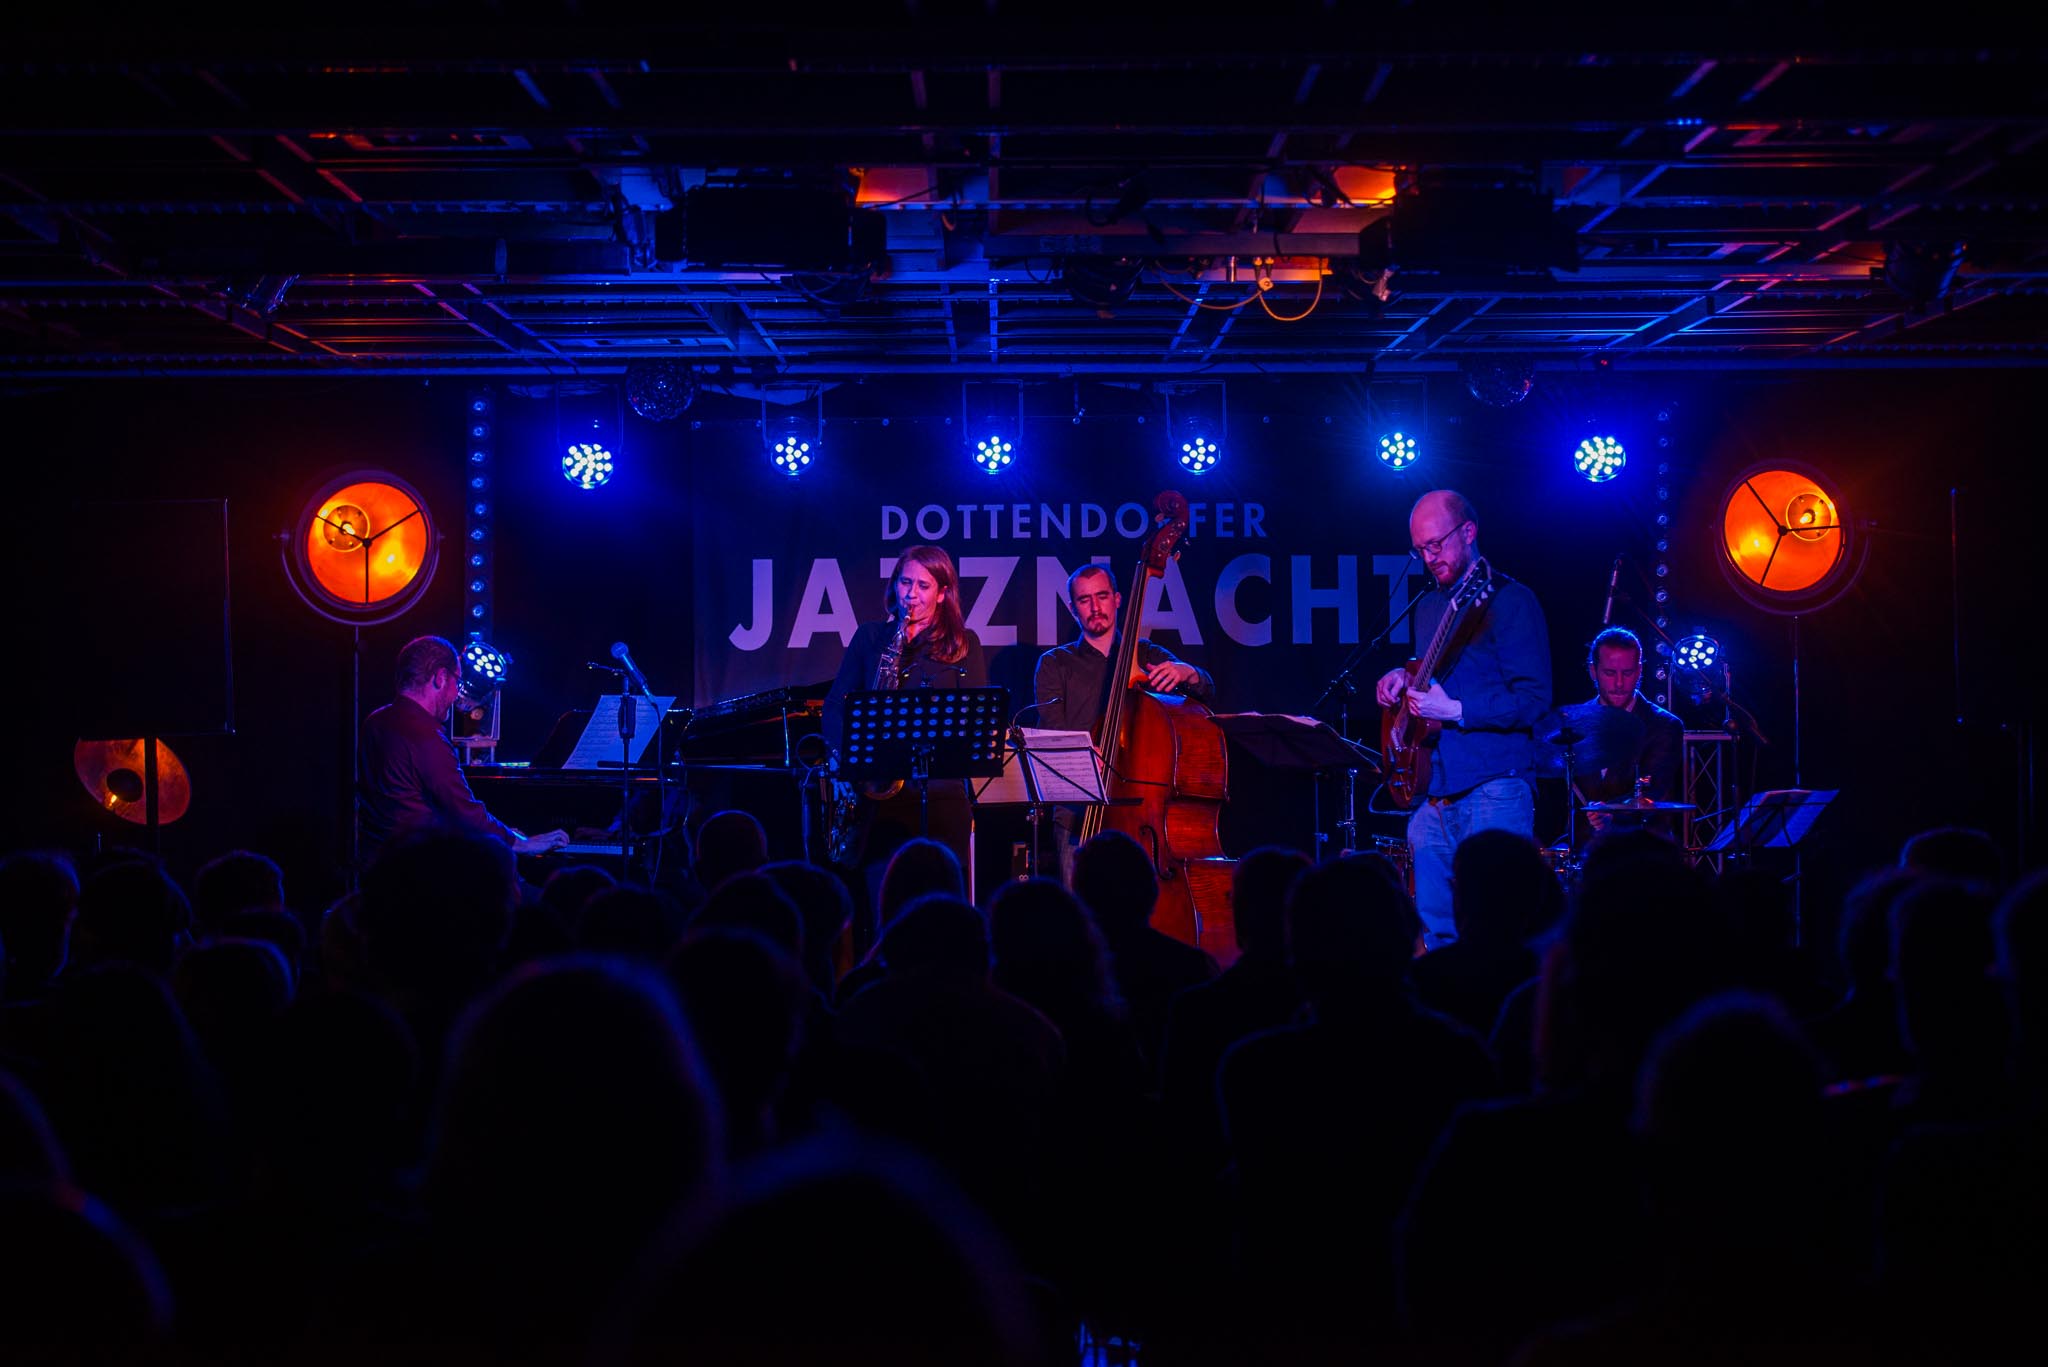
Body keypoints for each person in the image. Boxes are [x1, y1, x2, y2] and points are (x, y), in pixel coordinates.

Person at [1375, 490, 1551, 949]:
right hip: (1433, 791)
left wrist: (1454, 710)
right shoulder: (1430, 606)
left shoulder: (1511, 601)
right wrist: (1404, 677)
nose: (1429, 557)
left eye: (1436, 544)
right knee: (1438, 935)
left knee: (1499, 932)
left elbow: (1534, 699)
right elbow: (1435, 675)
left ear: (1468, 532)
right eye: (1420, 549)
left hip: (1495, 786)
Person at [821, 547, 988, 909]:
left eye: (923, 586)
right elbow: (834, 707)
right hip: (879, 804)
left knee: (943, 912)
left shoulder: (964, 644)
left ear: (942, 593)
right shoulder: (870, 638)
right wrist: (843, 759)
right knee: (886, 910)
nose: (911, 594)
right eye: (905, 582)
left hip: (941, 799)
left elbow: (972, 722)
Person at [1032, 562, 1214, 882]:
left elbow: (1206, 689)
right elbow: (1052, 730)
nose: (1095, 607)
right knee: (1080, 905)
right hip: (1078, 810)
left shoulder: (1144, 654)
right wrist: (1085, 754)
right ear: (1073, 609)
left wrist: (1187, 672)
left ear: (1117, 600)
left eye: (1102, 596)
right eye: (1084, 600)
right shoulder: (1054, 663)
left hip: (1140, 806)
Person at [358, 636, 567, 867]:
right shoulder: (426, 736)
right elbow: (464, 812)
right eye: (456, 682)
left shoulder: (374, 722)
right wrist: (520, 843)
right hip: (420, 867)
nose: (456, 695)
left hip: (377, 864)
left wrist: (503, 832)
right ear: (440, 677)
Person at [1572, 626, 1685, 841]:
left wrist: (1611, 815)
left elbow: (1653, 790)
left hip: (1641, 847)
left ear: (1639, 671)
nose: (1619, 684)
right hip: (1585, 848)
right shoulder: (1575, 723)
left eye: (1627, 673)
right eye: (1609, 673)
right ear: (1593, 671)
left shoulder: (1664, 725)